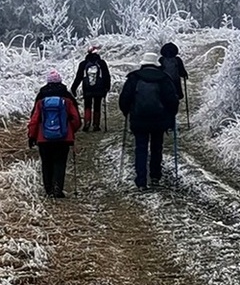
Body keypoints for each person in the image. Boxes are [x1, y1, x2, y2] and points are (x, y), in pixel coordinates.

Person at [117, 56, 181, 190]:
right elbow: (172, 101)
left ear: (143, 64)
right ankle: (155, 177)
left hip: (139, 120)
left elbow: (124, 98)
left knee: (140, 149)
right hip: (159, 120)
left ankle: (141, 181)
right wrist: (170, 117)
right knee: (156, 148)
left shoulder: (134, 78)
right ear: (156, 64)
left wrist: (127, 112)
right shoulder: (163, 78)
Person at [26, 69, 82, 198]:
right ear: (60, 82)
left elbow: (34, 119)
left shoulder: (41, 98)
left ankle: (48, 189)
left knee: (46, 163)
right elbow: (76, 119)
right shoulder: (67, 97)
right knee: (60, 162)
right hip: (63, 138)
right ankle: (58, 188)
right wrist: (70, 130)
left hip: (43, 138)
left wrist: (32, 136)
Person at [70, 45, 113, 132]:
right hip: (99, 88)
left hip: (87, 88)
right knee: (97, 106)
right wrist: (107, 87)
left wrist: (73, 88)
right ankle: (96, 125)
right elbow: (106, 76)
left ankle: (87, 123)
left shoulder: (83, 64)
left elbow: (78, 77)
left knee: (87, 105)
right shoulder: (101, 63)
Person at [158, 42, 189, 113]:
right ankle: (173, 116)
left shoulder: (161, 60)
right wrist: (185, 74)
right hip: (175, 85)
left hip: (164, 85)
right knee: (174, 102)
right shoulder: (177, 60)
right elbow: (182, 73)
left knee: (164, 101)